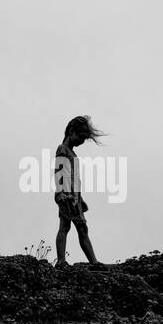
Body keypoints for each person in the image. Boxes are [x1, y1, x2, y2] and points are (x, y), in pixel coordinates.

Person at [53, 115, 105, 268]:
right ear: (71, 131)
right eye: (81, 136)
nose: (82, 141)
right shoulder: (63, 149)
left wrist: (80, 199)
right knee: (71, 227)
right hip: (67, 195)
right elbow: (60, 171)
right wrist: (62, 192)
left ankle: (91, 262)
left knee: (74, 227)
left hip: (74, 196)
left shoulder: (72, 153)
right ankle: (63, 261)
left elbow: (75, 178)